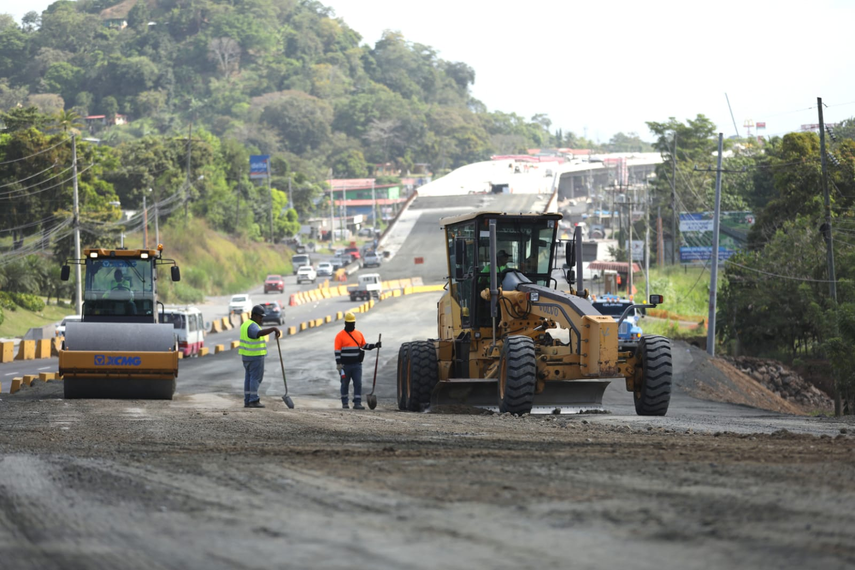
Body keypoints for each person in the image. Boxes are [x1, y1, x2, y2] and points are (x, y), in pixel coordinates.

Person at [334, 312, 381, 410]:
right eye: (349, 323)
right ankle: (345, 403)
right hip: (345, 366)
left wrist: (374, 345)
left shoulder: (358, 334)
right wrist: (338, 364)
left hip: (357, 365)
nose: (352, 325)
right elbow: (337, 351)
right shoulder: (340, 336)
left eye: (353, 323)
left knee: (358, 384)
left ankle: (357, 403)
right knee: (344, 384)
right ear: (345, 323)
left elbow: (364, 346)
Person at [239, 304, 281, 409]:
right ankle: (253, 400)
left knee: (248, 379)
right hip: (255, 356)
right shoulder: (252, 325)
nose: (261, 319)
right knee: (255, 378)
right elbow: (258, 333)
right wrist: (273, 329)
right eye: (260, 317)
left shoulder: (245, 324)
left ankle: (247, 400)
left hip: (246, 357)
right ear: (254, 315)